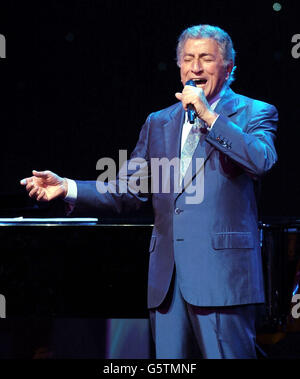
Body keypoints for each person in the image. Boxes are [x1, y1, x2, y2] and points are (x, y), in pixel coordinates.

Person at [20, 24, 278, 359]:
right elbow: (127, 190)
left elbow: (261, 160)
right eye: (188, 59)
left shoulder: (254, 112)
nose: (195, 67)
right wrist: (67, 188)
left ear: (229, 68)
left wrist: (208, 116)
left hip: (223, 280)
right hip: (167, 285)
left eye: (205, 59)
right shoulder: (160, 121)